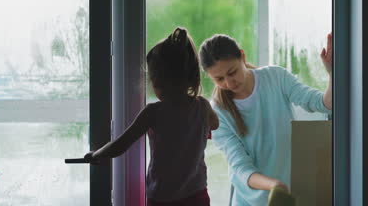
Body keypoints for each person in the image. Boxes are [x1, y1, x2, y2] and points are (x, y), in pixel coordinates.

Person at [85, 28, 219, 206]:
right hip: (197, 195)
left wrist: (97, 154)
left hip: (162, 197)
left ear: (157, 81)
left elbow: (121, 144)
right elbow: (215, 125)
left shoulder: (154, 112)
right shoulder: (202, 106)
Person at [198, 33, 332, 205]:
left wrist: (331, 73)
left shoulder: (276, 77)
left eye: (232, 72)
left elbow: (323, 103)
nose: (229, 83)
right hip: (251, 201)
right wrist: (274, 185)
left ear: (242, 56)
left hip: (284, 196)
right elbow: (241, 168)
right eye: (219, 79)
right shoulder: (218, 113)